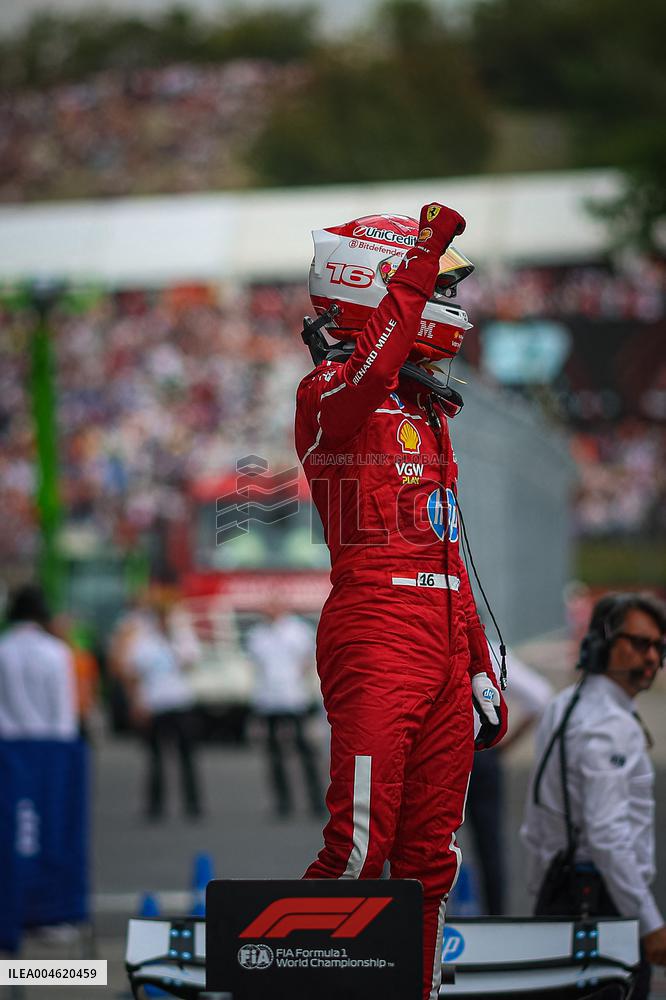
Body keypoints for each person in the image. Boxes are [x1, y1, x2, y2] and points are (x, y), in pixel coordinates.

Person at [294, 202, 508, 1000]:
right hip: (378, 634)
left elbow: (449, 554)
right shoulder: (327, 396)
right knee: (359, 848)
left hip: (445, 644)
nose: (450, 299)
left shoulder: (424, 410)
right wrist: (423, 255)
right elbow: (370, 372)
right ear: (373, 285)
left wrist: (478, 664)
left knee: (429, 860)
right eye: (437, 284)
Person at [521, 592, 666, 999]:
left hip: (559, 895)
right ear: (601, 643)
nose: (651, 657)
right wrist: (650, 923)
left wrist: (544, 893)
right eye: (639, 643)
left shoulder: (562, 705)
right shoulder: (610, 727)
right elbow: (608, 837)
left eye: (658, 646)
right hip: (601, 907)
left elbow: (535, 825)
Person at [466, 641, 553, 915]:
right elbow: (540, 697)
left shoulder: (430, 642)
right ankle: (495, 919)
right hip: (481, 754)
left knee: (424, 844)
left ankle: (415, 920)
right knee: (489, 843)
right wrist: (502, 746)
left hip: (441, 756)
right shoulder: (487, 650)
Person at [112, 604, 203, 820]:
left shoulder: (182, 638)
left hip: (180, 702)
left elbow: (191, 662)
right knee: (155, 758)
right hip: (155, 704)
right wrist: (136, 703)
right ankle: (155, 805)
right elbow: (132, 673)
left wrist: (174, 644)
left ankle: (193, 804)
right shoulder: (143, 642)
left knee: (187, 756)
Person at [246, 601, 324, 817]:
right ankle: (283, 802)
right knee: (274, 754)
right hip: (268, 699)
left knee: (304, 750)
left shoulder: (297, 631)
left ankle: (316, 800)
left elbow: (308, 658)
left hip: (294, 697)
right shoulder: (257, 634)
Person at [0, 584, 77, 739]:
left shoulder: (3, 649)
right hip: (47, 744)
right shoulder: (57, 651)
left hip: (6, 748)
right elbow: (63, 710)